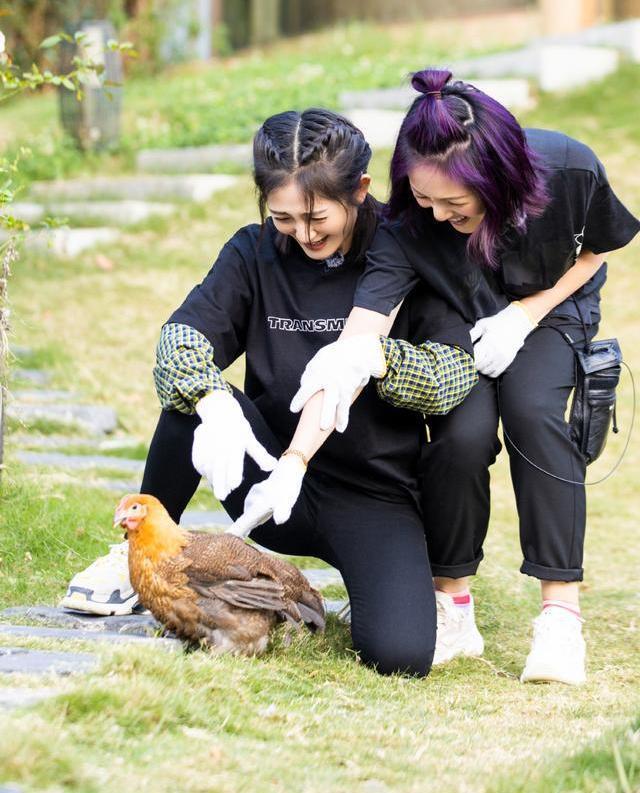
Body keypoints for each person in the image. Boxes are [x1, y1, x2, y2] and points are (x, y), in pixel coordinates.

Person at [61, 107, 479, 677]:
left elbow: (454, 375)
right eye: (284, 218)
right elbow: (180, 340)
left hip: (371, 491)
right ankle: (136, 559)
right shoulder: (253, 253)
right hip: (263, 475)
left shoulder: (406, 251)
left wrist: (378, 358)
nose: (303, 235)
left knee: (401, 655)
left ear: (360, 190)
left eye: (316, 218)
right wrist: (213, 403)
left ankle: (368, 586)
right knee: (194, 402)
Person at [281, 71, 640, 685]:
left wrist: (524, 316)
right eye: (425, 199)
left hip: (550, 306)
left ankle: (560, 617)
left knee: (532, 413)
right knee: (462, 434)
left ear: (498, 179)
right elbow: (369, 322)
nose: (439, 215)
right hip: (454, 313)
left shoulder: (568, 169)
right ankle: (453, 604)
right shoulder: (408, 227)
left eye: (456, 204)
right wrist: (328, 393)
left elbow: (595, 251)